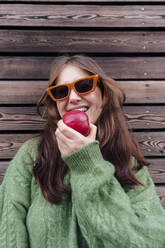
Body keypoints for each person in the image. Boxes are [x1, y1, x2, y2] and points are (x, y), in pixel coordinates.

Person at [0, 54, 165, 248]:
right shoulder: (32, 155)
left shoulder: (128, 163)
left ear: (103, 93)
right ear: (55, 103)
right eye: (61, 91)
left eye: (85, 86)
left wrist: (87, 163)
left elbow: (142, 241)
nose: (74, 98)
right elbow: (10, 228)